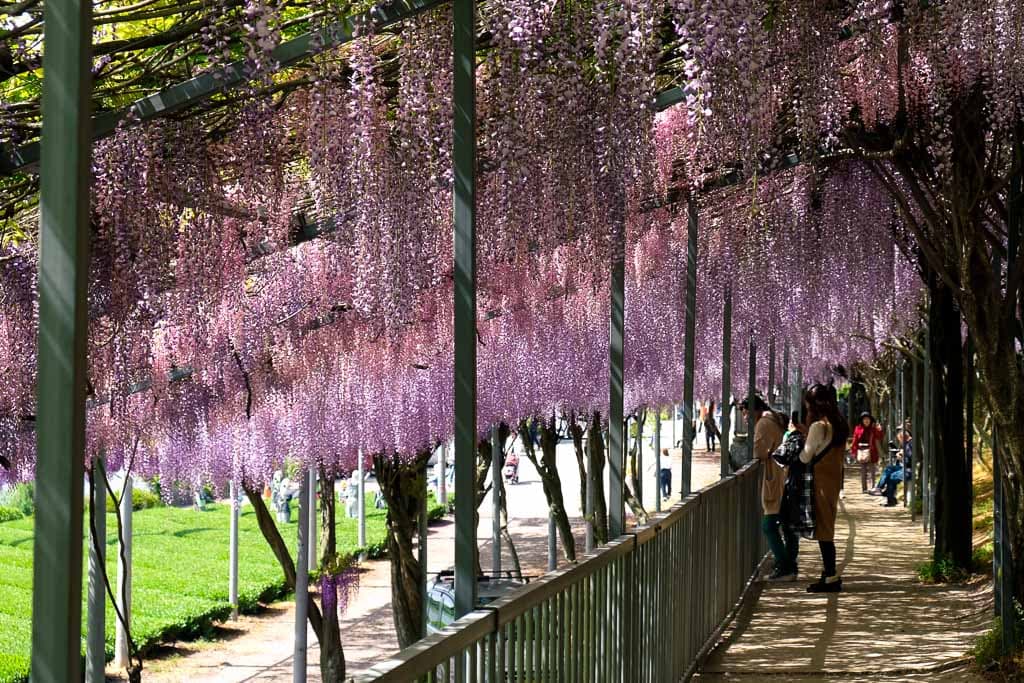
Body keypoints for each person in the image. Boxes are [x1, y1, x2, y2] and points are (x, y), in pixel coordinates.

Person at [795, 383, 849, 593]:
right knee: (827, 527)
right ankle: (829, 575)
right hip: (833, 480)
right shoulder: (838, 423)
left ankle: (831, 576)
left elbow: (806, 456)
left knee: (824, 530)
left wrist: (798, 439)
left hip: (820, 482)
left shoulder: (819, 426)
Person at [743, 395, 794, 581]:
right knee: (786, 524)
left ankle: (785, 565)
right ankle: (789, 564)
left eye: (745, 411)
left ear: (754, 409)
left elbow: (758, 452)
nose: (745, 416)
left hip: (775, 478)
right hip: (783, 476)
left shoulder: (763, 423)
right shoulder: (774, 419)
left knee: (769, 525)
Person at [850, 411, 883, 492]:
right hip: (861, 451)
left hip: (871, 452)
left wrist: (880, 430)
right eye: (864, 419)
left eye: (868, 419)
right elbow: (855, 440)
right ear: (862, 420)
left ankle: (873, 487)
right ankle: (864, 488)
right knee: (863, 471)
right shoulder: (858, 428)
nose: (866, 421)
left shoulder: (873, 429)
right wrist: (854, 451)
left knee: (872, 471)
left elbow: (880, 437)